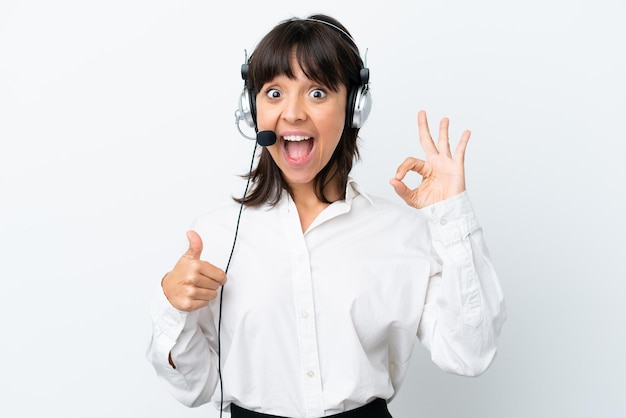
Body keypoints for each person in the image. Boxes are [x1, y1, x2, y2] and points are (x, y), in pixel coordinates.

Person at [146, 14, 506, 418]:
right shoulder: (216, 235)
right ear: (252, 111)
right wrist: (172, 305)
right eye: (274, 93)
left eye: (317, 93)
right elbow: (195, 387)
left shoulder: (402, 232)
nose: (294, 113)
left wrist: (451, 214)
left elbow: (470, 355)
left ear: (354, 106)